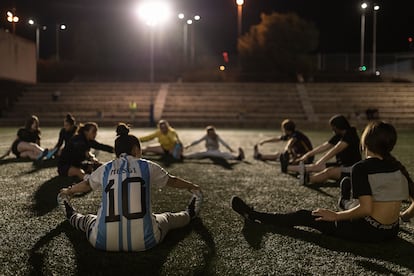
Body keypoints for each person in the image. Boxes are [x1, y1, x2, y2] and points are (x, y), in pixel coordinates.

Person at [231, 121, 414, 242]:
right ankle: (344, 201)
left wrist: (335, 216)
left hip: (369, 232)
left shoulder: (362, 167)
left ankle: (254, 215)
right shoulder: (397, 167)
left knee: (305, 215)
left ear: (365, 142)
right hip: (391, 232)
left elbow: (365, 209)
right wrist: (402, 217)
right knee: (348, 186)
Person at [57, 123, 203, 252]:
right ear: (135, 149)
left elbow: (86, 185)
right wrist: (192, 186)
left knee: (87, 220)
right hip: (146, 241)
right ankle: (190, 213)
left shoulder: (105, 168)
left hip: (102, 241)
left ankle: (68, 210)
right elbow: (172, 180)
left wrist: (69, 191)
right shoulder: (146, 165)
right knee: (168, 218)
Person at [286, 114, 361, 185]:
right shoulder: (339, 134)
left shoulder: (351, 134)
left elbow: (336, 149)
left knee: (329, 172)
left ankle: (308, 179)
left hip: (352, 169)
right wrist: (307, 155)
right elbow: (325, 146)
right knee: (315, 167)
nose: (332, 129)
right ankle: (287, 167)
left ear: (338, 126)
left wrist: (321, 161)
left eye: (333, 126)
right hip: (341, 165)